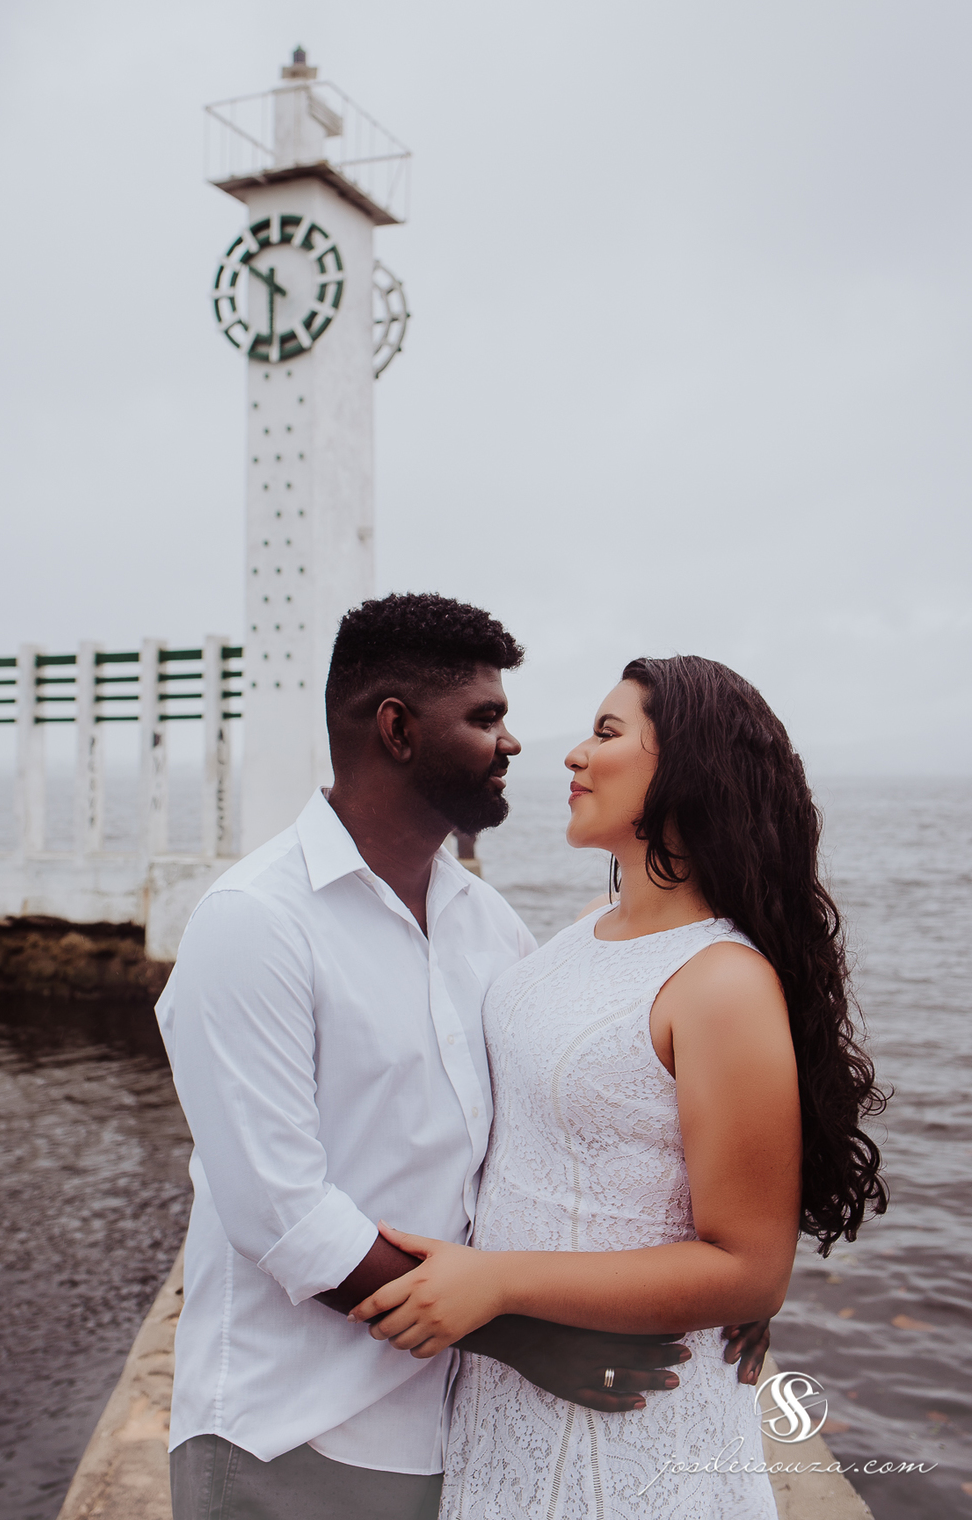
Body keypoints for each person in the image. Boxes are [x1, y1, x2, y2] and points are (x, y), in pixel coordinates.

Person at [157, 605, 769, 1520]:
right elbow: (279, 1212)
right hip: (293, 1430)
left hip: (454, 1434)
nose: (516, 741)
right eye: (484, 717)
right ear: (397, 729)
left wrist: (720, 1272)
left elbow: (551, 1124)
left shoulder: (491, 929)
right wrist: (517, 1336)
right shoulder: (255, 921)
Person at [350, 656, 889, 1518]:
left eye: (606, 733)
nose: (570, 755)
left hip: (631, 1426)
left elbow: (750, 1271)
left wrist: (497, 1284)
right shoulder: (575, 935)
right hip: (505, 1406)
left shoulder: (722, 981)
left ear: (690, 770)